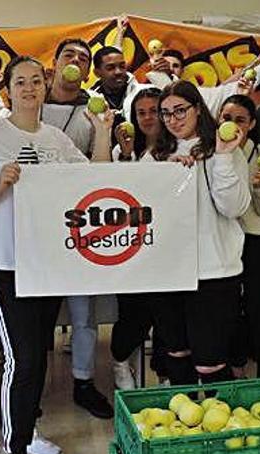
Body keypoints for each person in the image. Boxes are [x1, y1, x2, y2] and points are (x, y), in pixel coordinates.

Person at [0, 55, 111, 454]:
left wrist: (102, 133)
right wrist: (0, 184)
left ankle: (28, 425)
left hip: (49, 266)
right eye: (19, 81)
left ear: (45, 87)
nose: (28, 88)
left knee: (38, 356)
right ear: (7, 89)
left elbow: (94, 180)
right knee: (22, 359)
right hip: (8, 264)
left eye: (34, 81)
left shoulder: (56, 138)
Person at [141, 80, 252, 386]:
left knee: (210, 361)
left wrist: (225, 157)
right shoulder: (155, 154)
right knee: (176, 352)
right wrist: (166, 176)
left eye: (180, 111)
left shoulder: (224, 149)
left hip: (214, 271)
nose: (173, 119)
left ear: (198, 110)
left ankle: (219, 427)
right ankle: (183, 425)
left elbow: (234, 207)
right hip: (169, 271)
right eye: (166, 114)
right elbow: (141, 208)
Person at [43, 37, 115, 419]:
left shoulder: (95, 109)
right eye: (68, 54)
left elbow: (99, 167)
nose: (76, 61)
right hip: (38, 226)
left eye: (83, 59)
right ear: (53, 63)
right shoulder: (31, 102)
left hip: (81, 224)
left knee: (84, 312)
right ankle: (29, 384)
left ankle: (84, 382)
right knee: (36, 311)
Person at [218, 94, 260, 378]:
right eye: (227, 118)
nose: (233, 125)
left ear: (252, 124)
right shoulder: (214, 155)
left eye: (240, 120)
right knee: (228, 310)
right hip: (224, 241)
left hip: (257, 241)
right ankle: (235, 371)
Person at [109, 87, 164, 389]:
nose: (147, 118)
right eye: (140, 112)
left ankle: (165, 372)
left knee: (166, 316)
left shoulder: (177, 149)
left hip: (165, 246)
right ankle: (119, 361)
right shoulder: (123, 151)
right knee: (132, 313)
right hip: (130, 248)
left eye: (153, 111)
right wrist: (127, 154)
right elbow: (120, 192)